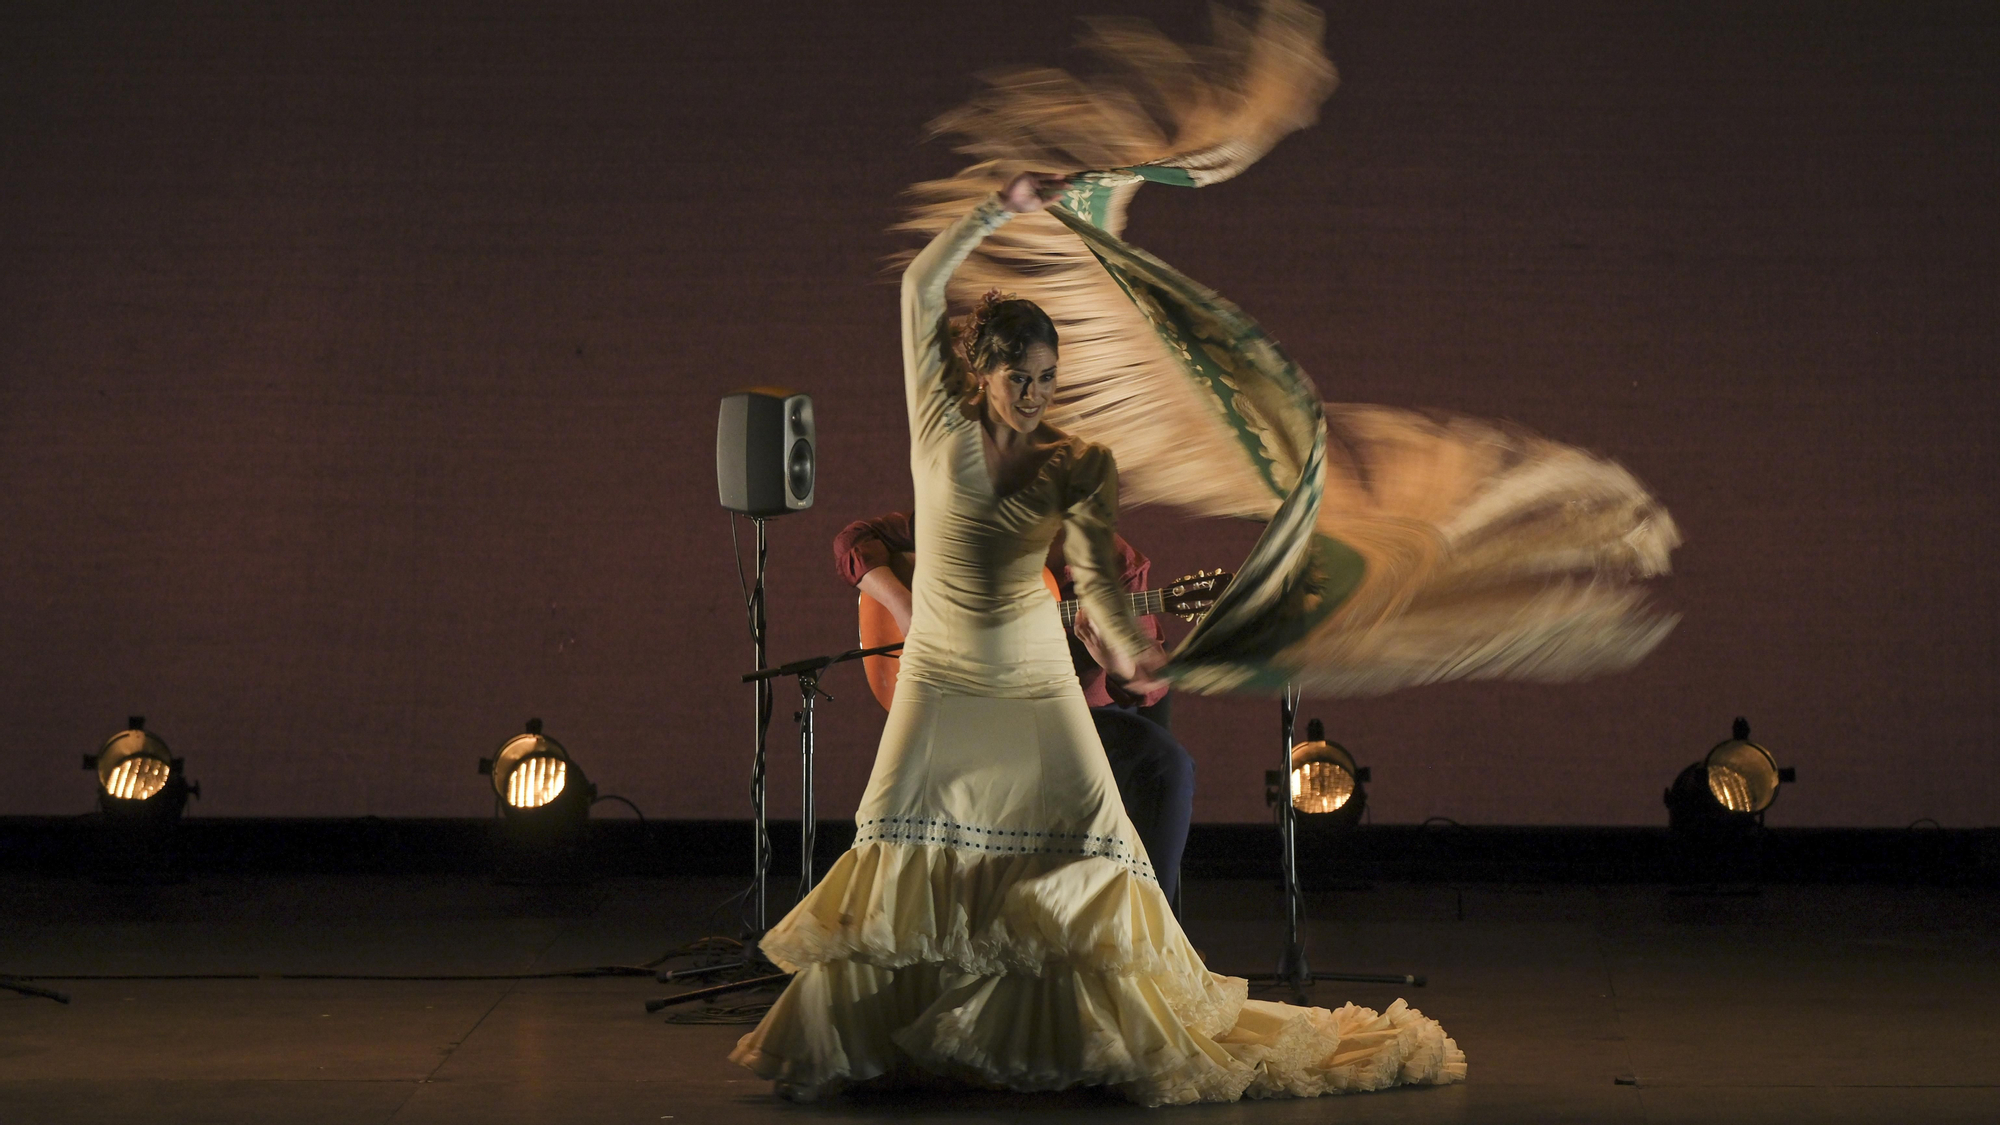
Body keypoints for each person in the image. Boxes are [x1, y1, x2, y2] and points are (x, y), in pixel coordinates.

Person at [729, 173, 1462, 1105]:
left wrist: (1133, 654)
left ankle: (1090, 1032)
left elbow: (1102, 590)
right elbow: (920, 284)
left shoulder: (1077, 465)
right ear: (979, 372)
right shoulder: (939, 429)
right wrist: (1002, 206)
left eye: (1047, 379)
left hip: (1038, 681)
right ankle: (889, 1032)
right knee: (914, 861)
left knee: (1090, 846)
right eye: (1017, 377)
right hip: (942, 679)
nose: (1033, 394)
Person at [834, 511, 1196, 902]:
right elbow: (854, 539)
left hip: (1075, 720)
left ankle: (1151, 931)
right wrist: (906, 608)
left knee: (1164, 763)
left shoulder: (1112, 560)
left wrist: (1118, 663)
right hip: (980, 716)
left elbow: (1150, 683)